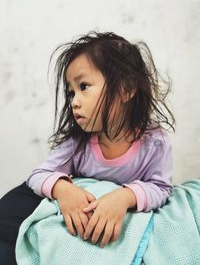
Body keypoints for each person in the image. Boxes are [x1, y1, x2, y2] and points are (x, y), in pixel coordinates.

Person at [0, 31, 175, 264]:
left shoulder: (155, 143)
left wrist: (124, 197)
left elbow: (161, 188)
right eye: (71, 92)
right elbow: (38, 175)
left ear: (126, 89)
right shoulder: (78, 143)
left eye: (84, 86)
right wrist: (63, 190)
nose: (74, 101)